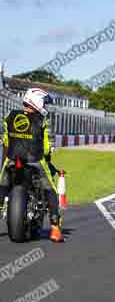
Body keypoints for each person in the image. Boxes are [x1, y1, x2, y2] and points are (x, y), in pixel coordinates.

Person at [0, 87, 64, 242]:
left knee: (1, 186)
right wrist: (48, 153)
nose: (45, 107)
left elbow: (6, 140)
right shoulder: (43, 121)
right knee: (51, 190)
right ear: (38, 102)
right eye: (44, 104)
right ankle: (55, 227)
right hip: (35, 161)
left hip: (12, 160)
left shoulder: (9, 116)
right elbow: (47, 147)